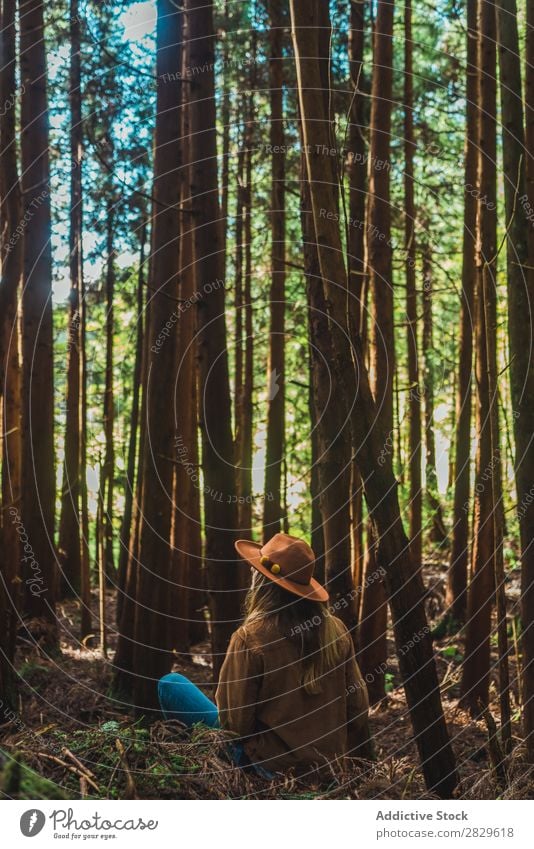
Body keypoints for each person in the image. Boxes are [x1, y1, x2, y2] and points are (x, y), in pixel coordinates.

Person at [158, 532, 371, 776]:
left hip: (267, 769)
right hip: (328, 771)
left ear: (261, 582)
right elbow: (357, 711)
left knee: (171, 684)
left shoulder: (250, 638)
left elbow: (234, 727)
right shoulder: (336, 631)